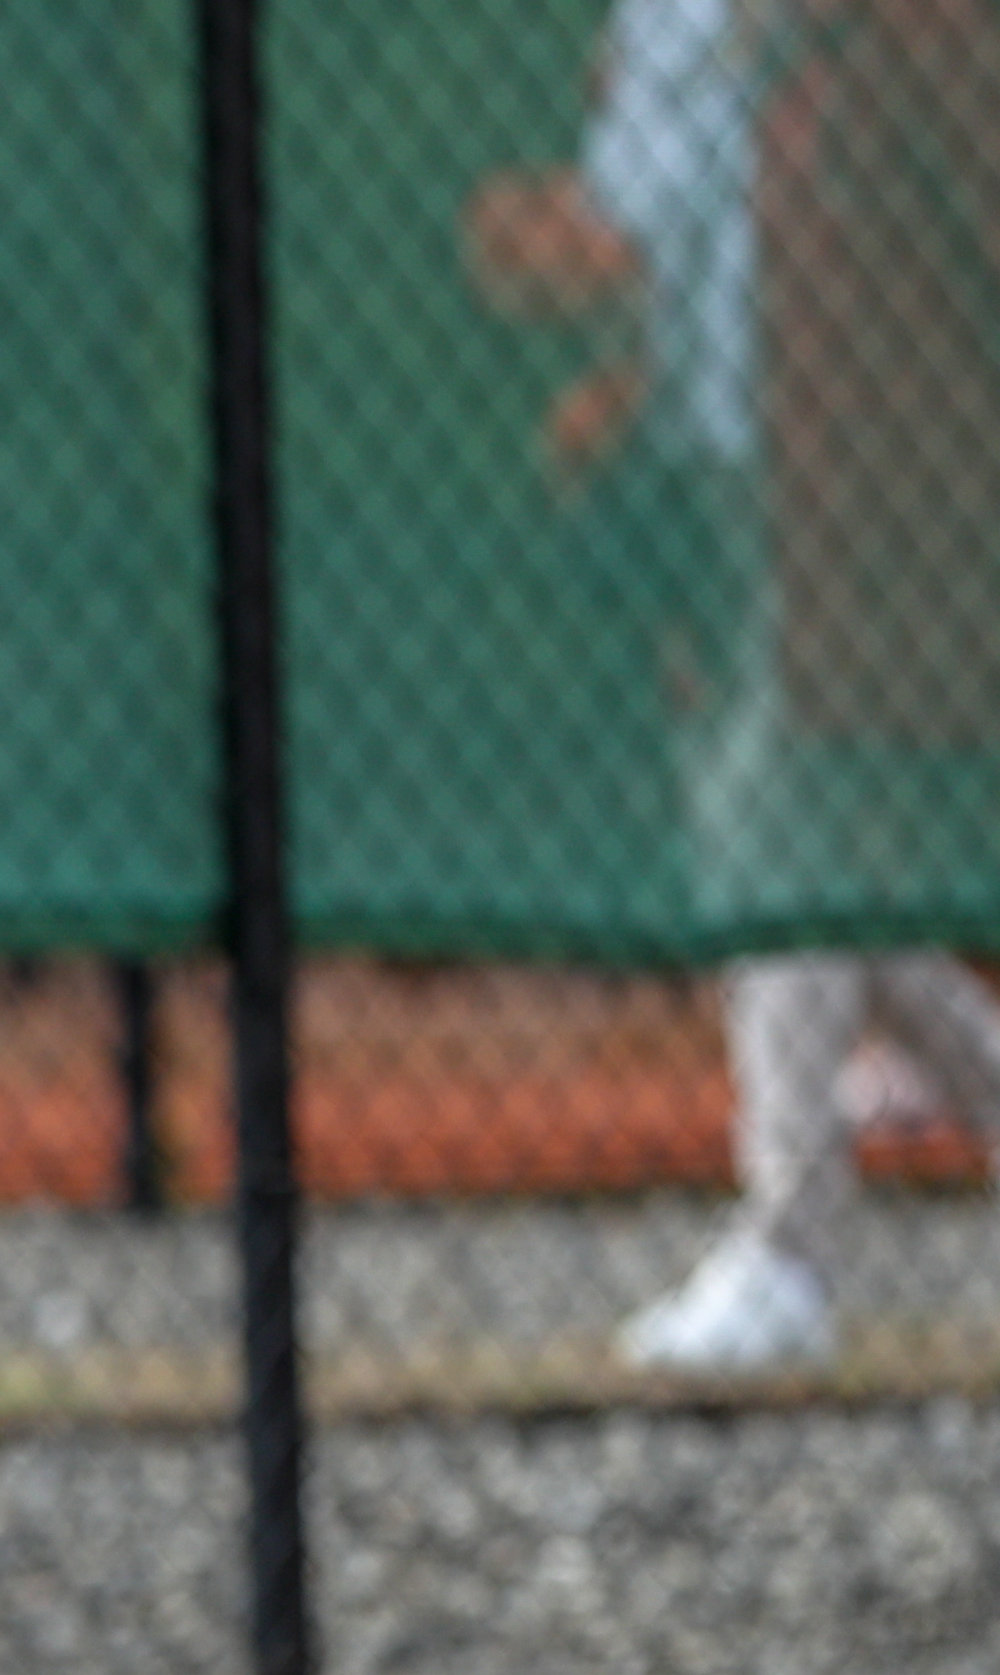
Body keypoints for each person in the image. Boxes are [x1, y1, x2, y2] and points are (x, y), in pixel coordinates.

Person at [468, 0, 1000, 1370]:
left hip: (874, 481)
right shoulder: (674, 20)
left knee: (782, 837)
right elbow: (645, 239)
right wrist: (604, 340)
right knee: (791, 857)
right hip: (718, 473)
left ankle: (787, 1248)